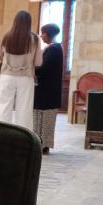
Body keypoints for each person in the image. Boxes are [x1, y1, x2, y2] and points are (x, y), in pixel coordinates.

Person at [0, 10, 43, 130]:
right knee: (24, 110)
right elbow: (38, 62)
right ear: (29, 23)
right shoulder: (35, 38)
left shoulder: (7, 37)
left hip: (6, 76)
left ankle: (3, 136)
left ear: (15, 22)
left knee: (4, 109)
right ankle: (22, 138)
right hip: (25, 77)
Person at [34, 23, 63, 154]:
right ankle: (40, 144)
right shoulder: (54, 48)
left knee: (46, 119)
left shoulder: (54, 49)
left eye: (43, 33)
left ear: (49, 34)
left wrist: (31, 69)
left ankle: (44, 145)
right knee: (40, 117)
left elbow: (43, 68)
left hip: (48, 92)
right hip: (46, 91)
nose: (41, 36)